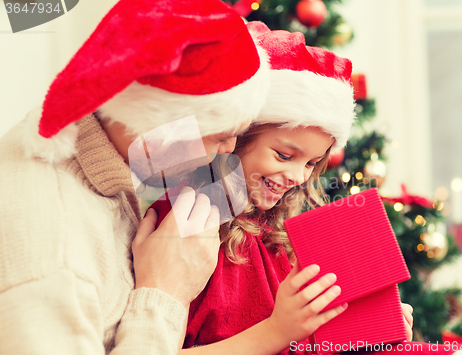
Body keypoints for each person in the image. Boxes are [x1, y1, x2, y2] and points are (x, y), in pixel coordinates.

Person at [0, 1, 270, 354]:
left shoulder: (108, 150)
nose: (227, 151)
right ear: (155, 122)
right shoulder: (55, 259)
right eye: (219, 135)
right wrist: (165, 292)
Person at [148, 23, 414, 355]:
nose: (298, 177)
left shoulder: (275, 234)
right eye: (284, 155)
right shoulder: (183, 222)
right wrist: (277, 331)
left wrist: (367, 335)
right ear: (235, 137)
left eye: (310, 163)